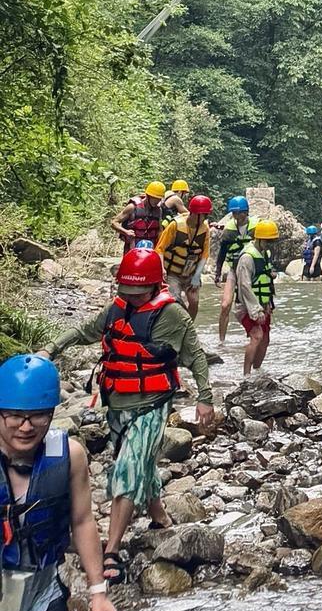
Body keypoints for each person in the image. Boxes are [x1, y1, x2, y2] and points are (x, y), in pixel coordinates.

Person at [45, 247, 214, 587]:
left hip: (153, 403)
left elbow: (195, 355)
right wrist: (49, 350)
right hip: (117, 403)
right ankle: (161, 519)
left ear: (154, 287)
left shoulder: (173, 314)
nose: (132, 299)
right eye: (127, 292)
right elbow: (82, 332)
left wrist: (205, 399)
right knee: (142, 463)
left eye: (138, 293)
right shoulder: (116, 308)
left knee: (127, 468)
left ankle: (111, 550)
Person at [0, 354, 116, 611]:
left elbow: (82, 522)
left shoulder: (69, 457)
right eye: (14, 414)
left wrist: (98, 591)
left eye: (38, 415)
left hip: (38, 599)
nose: (26, 426)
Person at [155, 193, 213, 316]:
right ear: (193, 213)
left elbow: (204, 255)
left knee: (194, 301)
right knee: (175, 302)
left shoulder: (205, 229)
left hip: (190, 273)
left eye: (205, 215)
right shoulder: (175, 225)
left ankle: (188, 328)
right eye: (201, 215)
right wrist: (161, 269)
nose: (203, 219)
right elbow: (160, 249)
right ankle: (177, 325)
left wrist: (197, 276)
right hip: (172, 272)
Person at [235, 220, 279, 376]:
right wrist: (255, 310)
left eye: (272, 241)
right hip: (247, 306)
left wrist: (267, 304)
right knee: (257, 336)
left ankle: (258, 371)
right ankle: (246, 376)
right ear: (259, 239)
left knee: (265, 339)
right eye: (268, 241)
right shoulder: (247, 257)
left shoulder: (264, 254)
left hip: (263, 304)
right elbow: (244, 286)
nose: (270, 244)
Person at [214, 195, 252, 343]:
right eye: (234, 214)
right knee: (225, 305)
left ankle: (251, 338)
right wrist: (217, 273)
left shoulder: (255, 227)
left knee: (249, 306)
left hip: (250, 272)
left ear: (246, 212)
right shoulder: (229, 229)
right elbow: (222, 252)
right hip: (234, 270)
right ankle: (221, 341)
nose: (237, 217)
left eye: (239, 213)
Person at [110, 181, 167, 253]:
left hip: (150, 250)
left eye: (159, 199)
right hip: (133, 249)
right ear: (148, 196)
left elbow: (159, 231)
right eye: (155, 198)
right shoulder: (132, 207)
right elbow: (114, 223)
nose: (157, 201)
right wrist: (126, 232)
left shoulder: (158, 210)